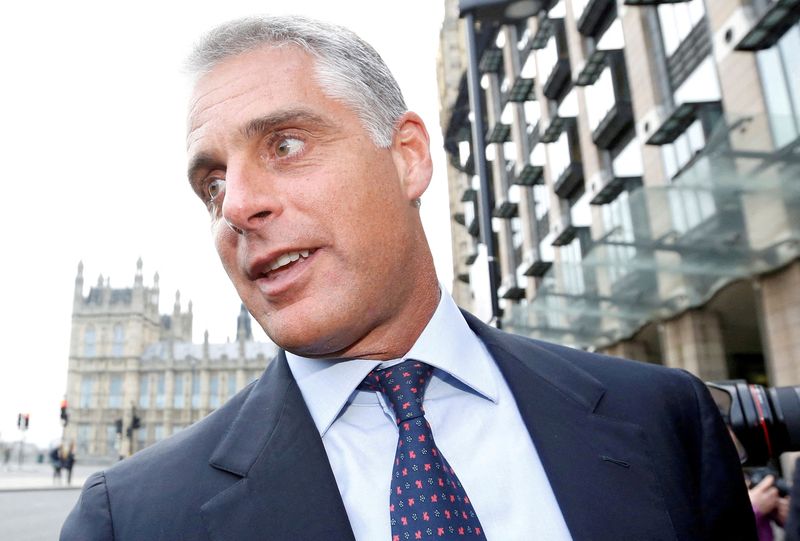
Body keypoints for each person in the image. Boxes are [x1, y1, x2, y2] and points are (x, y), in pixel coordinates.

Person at [61, 15, 756, 540]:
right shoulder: (131, 519)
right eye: (212, 185)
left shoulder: (664, 419)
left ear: (409, 157)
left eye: (286, 144)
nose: (237, 205)